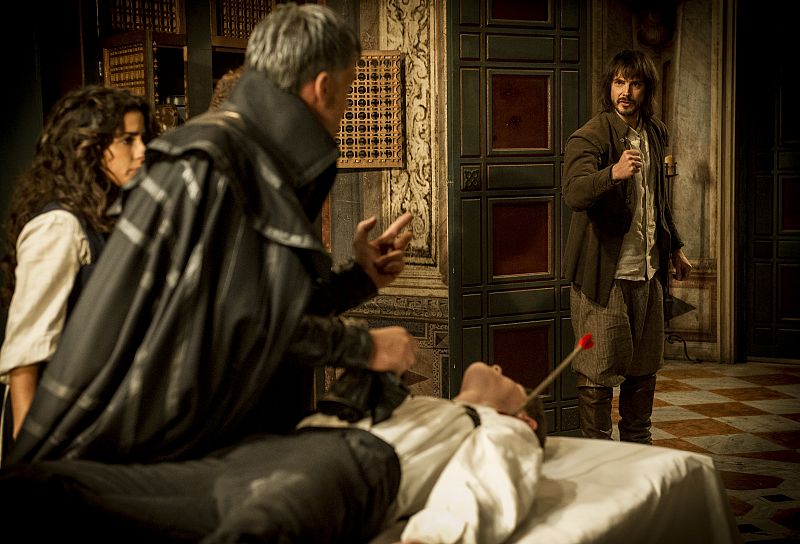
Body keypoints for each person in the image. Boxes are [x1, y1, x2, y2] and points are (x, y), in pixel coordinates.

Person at [7, 3, 415, 465]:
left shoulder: (245, 161)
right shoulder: (217, 164)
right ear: (322, 88)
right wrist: (365, 347)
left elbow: (265, 309)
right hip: (153, 449)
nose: (345, 111)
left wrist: (361, 278)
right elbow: (244, 326)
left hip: (204, 436)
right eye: (347, 89)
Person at [0, 362, 545, 544]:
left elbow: (482, 493)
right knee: (53, 485)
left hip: (338, 470)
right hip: (261, 456)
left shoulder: (499, 429)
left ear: (524, 415)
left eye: (511, 378)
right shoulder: (424, 404)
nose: (497, 366)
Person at [0, 85, 152, 456]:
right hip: (49, 417)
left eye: (142, 138)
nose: (141, 151)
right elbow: (27, 347)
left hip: (93, 415)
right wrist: (28, 445)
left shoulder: (108, 218)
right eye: (128, 140)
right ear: (90, 146)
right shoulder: (59, 226)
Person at [562, 49, 692, 444]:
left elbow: (656, 201)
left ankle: (639, 455)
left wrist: (674, 247)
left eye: (634, 83)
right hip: (604, 276)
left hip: (647, 272)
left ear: (646, 89)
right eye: (619, 82)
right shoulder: (590, 135)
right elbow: (574, 192)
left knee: (643, 369)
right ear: (609, 87)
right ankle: (599, 460)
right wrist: (613, 173)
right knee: (598, 369)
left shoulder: (656, 132)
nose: (626, 91)